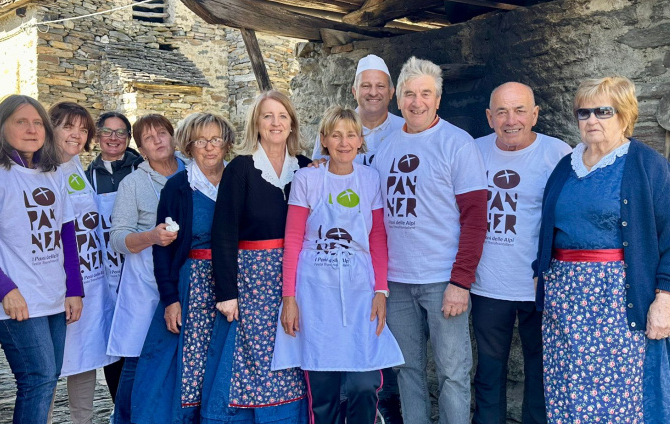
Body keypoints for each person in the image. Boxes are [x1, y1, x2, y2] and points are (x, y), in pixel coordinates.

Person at [533, 76, 670, 424]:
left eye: (603, 111)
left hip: (617, 301)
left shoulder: (647, 166)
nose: (591, 120)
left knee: (618, 396)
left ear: (624, 114)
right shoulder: (566, 167)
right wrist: (538, 274)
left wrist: (664, 301)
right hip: (565, 301)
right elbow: (549, 229)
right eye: (584, 112)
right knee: (567, 388)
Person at [0, 95, 83, 424]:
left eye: (38, 122)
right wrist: (5, 290)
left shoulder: (53, 172)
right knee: (37, 379)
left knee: (49, 379)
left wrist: (74, 289)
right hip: (15, 298)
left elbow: (66, 234)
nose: (32, 128)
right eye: (21, 121)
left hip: (53, 294)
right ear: (0, 126)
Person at [370, 57, 488, 424]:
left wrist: (460, 282)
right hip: (397, 281)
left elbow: (475, 220)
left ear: (438, 99)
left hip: (443, 280)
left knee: (453, 374)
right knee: (407, 370)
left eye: (425, 94)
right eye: (409, 94)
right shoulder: (384, 147)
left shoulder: (457, 144)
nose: (416, 101)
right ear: (398, 99)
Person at [273, 106, 405, 423]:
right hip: (315, 293)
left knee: (365, 382)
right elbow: (293, 239)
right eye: (336, 135)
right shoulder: (307, 179)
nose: (344, 142)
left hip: (361, 291)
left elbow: (377, 240)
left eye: (350, 134)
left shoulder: (370, 179)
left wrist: (381, 291)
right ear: (325, 140)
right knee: (323, 388)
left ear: (360, 140)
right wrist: (289, 298)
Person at [204, 90, 309, 423]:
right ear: (257, 123)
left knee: (293, 348)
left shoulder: (306, 168)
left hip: (296, 276)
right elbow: (223, 233)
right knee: (257, 358)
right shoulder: (241, 169)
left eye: (282, 116)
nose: (275, 123)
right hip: (252, 280)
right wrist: (227, 293)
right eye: (267, 116)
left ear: (291, 123)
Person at [470, 83, 571, 424]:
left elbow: (572, 216)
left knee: (541, 369)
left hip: (537, 284)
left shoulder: (558, 154)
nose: (510, 120)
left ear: (535, 114)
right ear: (489, 117)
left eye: (519, 110)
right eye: (501, 111)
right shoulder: (474, 151)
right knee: (488, 370)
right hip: (487, 284)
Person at [130, 112, 236, 424]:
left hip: (234, 283)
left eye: (216, 139)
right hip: (194, 286)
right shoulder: (178, 187)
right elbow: (163, 250)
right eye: (200, 141)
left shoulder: (240, 179)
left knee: (227, 362)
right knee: (186, 366)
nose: (209, 147)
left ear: (227, 143)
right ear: (188, 146)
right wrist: (170, 299)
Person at [107, 114, 186, 424]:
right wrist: (152, 236)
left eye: (162, 133)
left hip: (186, 277)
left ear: (173, 136)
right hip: (144, 283)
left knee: (180, 354)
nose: (157, 140)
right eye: (149, 137)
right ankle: (124, 418)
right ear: (141, 148)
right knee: (138, 359)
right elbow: (117, 238)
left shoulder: (195, 172)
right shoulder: (134, 183)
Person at [50, 102, 119, 424]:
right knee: (49, 366)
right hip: (64, 284)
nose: (76, 135)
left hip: (92, 279)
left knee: (85, 357)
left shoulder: (76, 165)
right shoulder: (43, 170)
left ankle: (83, 421)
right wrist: (68, 287)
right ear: (51, 128)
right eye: (68, 127)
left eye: (82, 129)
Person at [84, 111, 142, 401]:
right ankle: (119, 406)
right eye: (107, 131)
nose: (114, 138)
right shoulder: (85, 178)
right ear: (97, 136)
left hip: (140, 265)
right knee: (113, 340)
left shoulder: (141, 169)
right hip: (105, 271)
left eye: (121, 132)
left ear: (129, 138)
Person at [311, 54, 405, 167]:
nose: (373, 93)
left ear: (391, 92)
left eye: (380, 86)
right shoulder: (332, 128)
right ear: (354, 91)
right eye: (366, 86)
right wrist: (316, 165)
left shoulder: (404, 129)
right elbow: (318, 167)